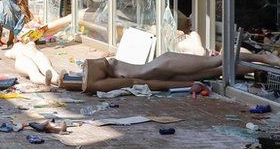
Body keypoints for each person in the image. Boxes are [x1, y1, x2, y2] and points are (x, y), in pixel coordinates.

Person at [82, 50, 280, 93]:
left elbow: (147, 83)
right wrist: (187, 85)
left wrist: (187, 85)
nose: (104, 61)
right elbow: (147, 84)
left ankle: (262, 57)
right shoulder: (98, 82)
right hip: (165, 71)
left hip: (165, 65)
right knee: (216, 70)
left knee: (214, 62)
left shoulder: (96, 77)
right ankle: (261, 66)